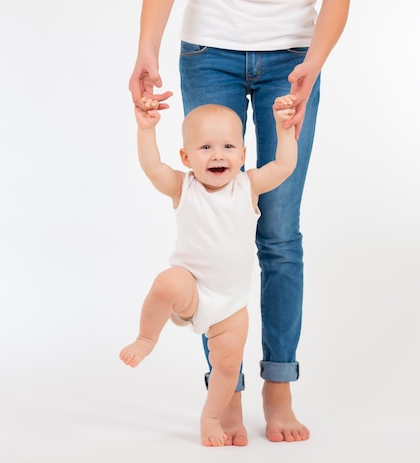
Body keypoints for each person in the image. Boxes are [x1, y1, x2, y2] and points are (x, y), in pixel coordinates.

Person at [128, 0, 350, 445]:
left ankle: (279, 387)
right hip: (209, 50)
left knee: (280, 234)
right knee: (210, 253)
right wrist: (146, 48)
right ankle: (224, 391)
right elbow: (155, 170)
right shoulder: (181, 175)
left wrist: (315, 61)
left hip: (294, 56)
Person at [120, 95, 298, 446]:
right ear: (186, 158)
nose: (218, 154)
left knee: (228, 368)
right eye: (205, 147)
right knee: (167, 281)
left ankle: (213, 416)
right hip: (192, 290)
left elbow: (283, 167)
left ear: (243, 156)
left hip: (230, 305)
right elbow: (152, 166)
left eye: (229, 146)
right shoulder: (183, 186)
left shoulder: (248, 186)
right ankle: (146, 337)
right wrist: (147, 130)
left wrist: (284, 129)